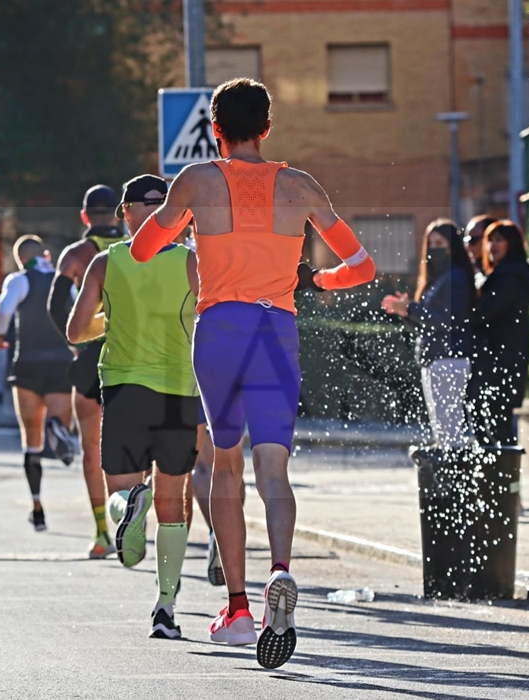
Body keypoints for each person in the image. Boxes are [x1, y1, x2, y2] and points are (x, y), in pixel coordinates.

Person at [129, 78, 376, 669]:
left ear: (215, 129)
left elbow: (141, 250)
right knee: (275, 466)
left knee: (223, 461)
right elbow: (362, 266)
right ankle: (282, 576)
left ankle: (237, 609)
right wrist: (322, 281)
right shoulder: (301, 186)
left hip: (221, 330)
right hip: (277, 331)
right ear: (267, 128)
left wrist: (184, 226)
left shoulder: (198, 181)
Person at [67, 173, 199, 639]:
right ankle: (166, 608)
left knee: (123, 490)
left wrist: (113, 318)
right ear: (175, 216)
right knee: (173, 504)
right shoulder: (192, 263)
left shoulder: (107, 262)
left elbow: (75, 330)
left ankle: (129, 505)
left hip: (124, 386)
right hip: (180, 390)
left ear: (126, 213)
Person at [47, 185, 128, 560]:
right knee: (135, 445)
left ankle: (101, 533)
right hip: (132, 352)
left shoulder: (77, 255)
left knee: (91, 448)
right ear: (120, 213)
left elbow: (55, 305)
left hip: (90, 356)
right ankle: (132, 515)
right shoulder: (139, 247)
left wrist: (76, 339)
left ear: (84, 217)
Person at [0, 236, 76, 532]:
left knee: (31, 442)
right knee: (61, 425)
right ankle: (59, 428)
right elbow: (78, 309)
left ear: (19, 260)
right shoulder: (61, 279)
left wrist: (0, 335)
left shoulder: (18, 280)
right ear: (45, 255)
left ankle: (38, 509)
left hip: (27, 362)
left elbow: (3, 311)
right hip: (60, 361)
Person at [382, 219, 475, 450]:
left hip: (449, 359)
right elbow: (429, 325)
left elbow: (450, 321)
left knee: (450, 430)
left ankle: (452, 476)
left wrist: (411, 308)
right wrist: (406, 313)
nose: (434, 248)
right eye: (431, 243)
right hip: (435, 359)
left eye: (440, 242)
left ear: (452, 246)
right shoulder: (437, 280)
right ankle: (446, 475)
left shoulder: (456, 277)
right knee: (441, 427)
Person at [472, 220, 529, 446]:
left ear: (512, 244)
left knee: (499, 431)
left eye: (499, 240)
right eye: (489, 240)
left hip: (501, 365)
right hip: (504, 363)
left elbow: (482, 313)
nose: (492, 245)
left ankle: (505, 477)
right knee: (499, 427)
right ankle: (503, 477)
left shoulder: (510, 278)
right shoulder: (505, 275)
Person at [464, 214, 497, 289]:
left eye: (472, 240)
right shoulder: (477, 274)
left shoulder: (505, 275)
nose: (467, 246)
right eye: (465, 241)